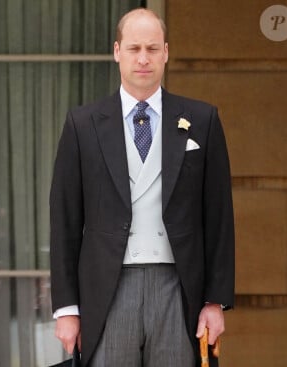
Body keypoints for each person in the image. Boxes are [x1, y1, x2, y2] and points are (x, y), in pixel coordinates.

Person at [49, 8, 234, 367]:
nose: (143, 58)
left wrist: (215, 301)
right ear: (117, 52)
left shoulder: (202, 120)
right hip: (109, 287)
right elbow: (65, 221)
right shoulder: (83, 124)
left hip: (178, 287)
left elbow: (219, 217)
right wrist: (67, 308)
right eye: (134, 49)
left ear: (166, 52)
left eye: (152, 48)